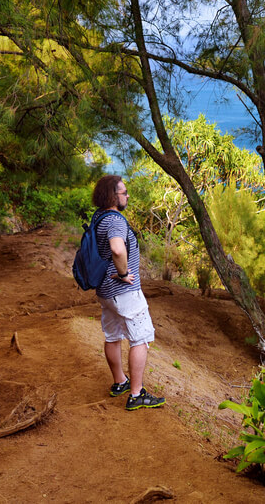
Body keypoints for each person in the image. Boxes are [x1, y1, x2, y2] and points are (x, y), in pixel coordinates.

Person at [91, 174, 165, 411]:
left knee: (112, 336)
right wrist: (123, 274)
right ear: (114, 196)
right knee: (140, 339)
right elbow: (117, 248)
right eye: (124, 192)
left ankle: (120, 382)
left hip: (105, 291)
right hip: (124, 292)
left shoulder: (99, 217)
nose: (127, 195)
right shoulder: (115, 221)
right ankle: (136, 394)